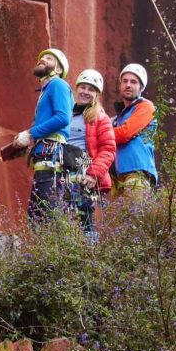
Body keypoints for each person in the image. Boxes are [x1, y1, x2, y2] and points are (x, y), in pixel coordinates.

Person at [13, 48, 74, 219]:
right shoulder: (46, 90)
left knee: (46, 216)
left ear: (59, 69)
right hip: (45, 157)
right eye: (41, 58)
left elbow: (62, 118)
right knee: (36, 218)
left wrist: (30, 133)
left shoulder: (58, 84)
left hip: (52, 157)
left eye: (49, 58)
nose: (42, 60)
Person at [66, 69, 116, 232]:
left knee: (84, 219)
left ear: (97, 94)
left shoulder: (100, 118)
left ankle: (88, 253)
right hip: (61, 173)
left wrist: (93, 173)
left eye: (91, 89)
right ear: (77, 88)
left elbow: (108, 149)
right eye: (83, 87)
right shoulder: (67, 114)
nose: (86, 92)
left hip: (83, 174)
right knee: (61, 218)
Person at [111, 63, 157, 200]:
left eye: (133, 82)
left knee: (134, 220)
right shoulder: (118, 117)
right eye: (124, 81)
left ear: (141, 87)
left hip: (137, 173)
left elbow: (124, 133)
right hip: (118, 178)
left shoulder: (146, 107)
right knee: (117, 222)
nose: (128, 85)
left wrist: (104, 134)